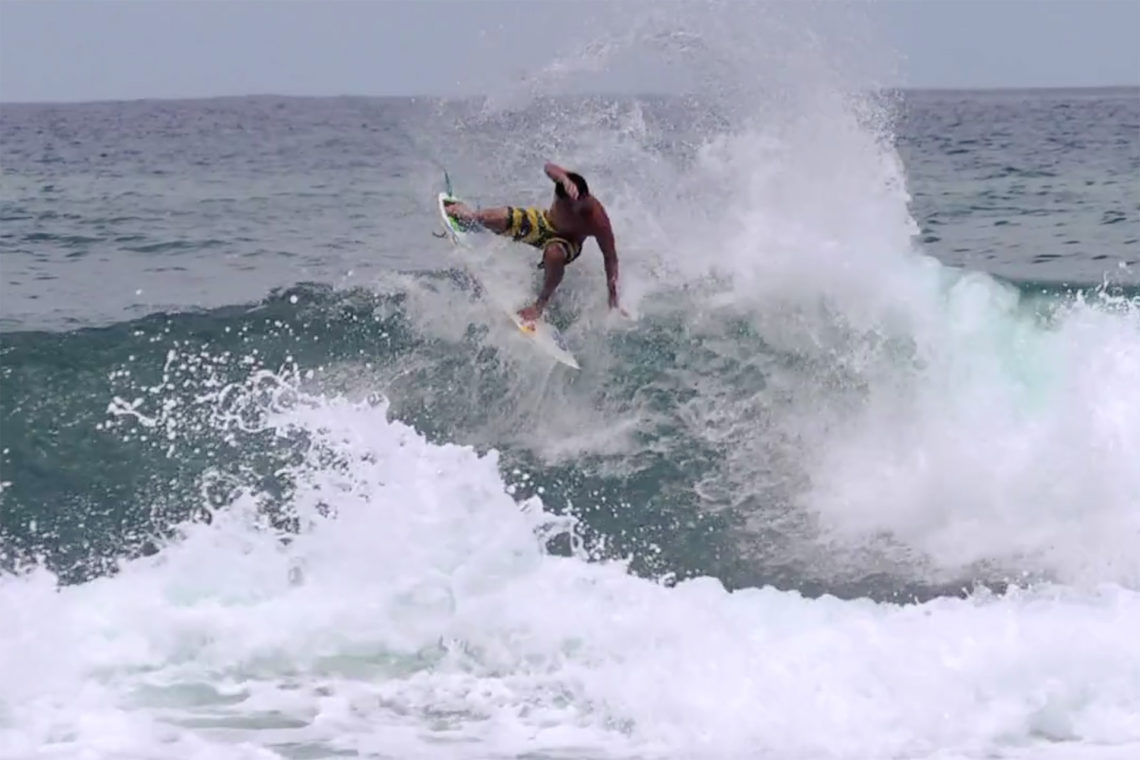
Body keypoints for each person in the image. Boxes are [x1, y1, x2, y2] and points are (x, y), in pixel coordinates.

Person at [443, 162, 624, 323]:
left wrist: (613, 296)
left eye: (574, 208)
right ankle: (472, 219)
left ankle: (539, 306)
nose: (568, 211)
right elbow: (549, 167)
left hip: (567, 242)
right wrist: (564, 178)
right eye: (564, 206)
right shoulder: (564, 185)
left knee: (554, 253)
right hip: (544, 222)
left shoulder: (596, 219)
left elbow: (610, 257)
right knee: (489, 217)